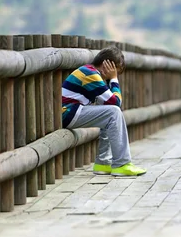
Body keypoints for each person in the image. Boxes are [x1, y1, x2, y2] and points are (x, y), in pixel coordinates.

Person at [61, 46, 146, 176]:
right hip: (68, 113)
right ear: (108, 64)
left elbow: (106, 103)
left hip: (71, 112)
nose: (113, 75)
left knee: (109, 113)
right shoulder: (90, 74)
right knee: (113, 112)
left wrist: (111, 80)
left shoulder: (90, 72)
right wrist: (114, 79)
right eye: (115, 71)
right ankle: (122, 164)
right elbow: (116, 103)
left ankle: (103, 163)